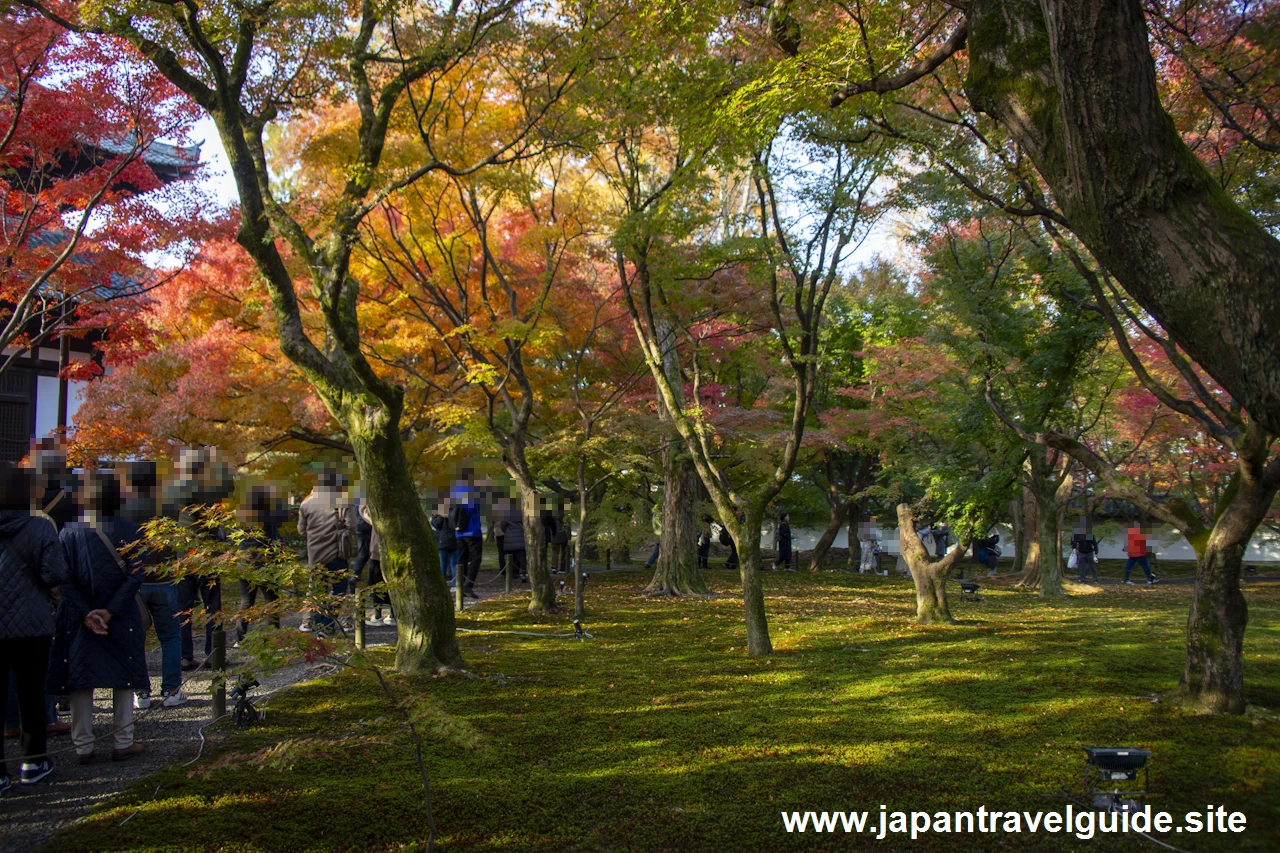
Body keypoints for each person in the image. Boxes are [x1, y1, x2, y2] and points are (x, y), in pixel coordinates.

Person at [47, 471, 148, 763]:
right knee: (124, 674)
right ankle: (123, 741)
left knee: (81, 676)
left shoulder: (68, 532)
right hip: (121, 613)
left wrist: (86, 612)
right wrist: (111, 610)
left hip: (78, 616)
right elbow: (136, 576)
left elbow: (62, 579)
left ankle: (83, 745)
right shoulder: (131, 530)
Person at [0, 463, 70, 790]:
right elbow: (55, 573)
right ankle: (34, 761)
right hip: (31, 623)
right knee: (31, 693)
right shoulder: (40, 528)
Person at [121, 461, 186, 710]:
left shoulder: (123, 507)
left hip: (135, 581)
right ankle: (171, 690)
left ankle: (141, 692)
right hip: (164, 578)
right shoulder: (168, 505)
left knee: (134, 638)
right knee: (170, 636)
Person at [298, 469, 356, 634]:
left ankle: (316, 624)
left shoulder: (306, 503)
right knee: (338, 590)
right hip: (338, 552)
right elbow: (352, 526)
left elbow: (301, 530)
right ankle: (327, 624)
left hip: (315, 554)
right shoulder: (344, 501)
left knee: (317, 590)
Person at [236, 485, 287, 644]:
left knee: (246, 602)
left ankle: (240, 638)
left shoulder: (243, 513)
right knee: (271, 601)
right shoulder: (269, 514)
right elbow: (281, 520)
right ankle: (273, 636)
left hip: (245, 562)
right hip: (266, 563)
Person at [450, 470, 484, 599]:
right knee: (476, 558)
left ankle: (460, 584)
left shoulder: (455, 492)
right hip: (472, 530)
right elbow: (471, 509)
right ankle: (468, 585)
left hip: (459, 532)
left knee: (462, 558)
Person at [358, 501, 394, 624]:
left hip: (378, 550)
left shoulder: (377, 510)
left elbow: (364, 512)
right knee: (392, 583)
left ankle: (378, 615)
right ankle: (393, 614)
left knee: (376, 583)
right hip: (395, 551)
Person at [498, 497, 527, 584]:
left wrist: (507, 533)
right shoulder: (522, 515)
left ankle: (513, 573)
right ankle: (523, 573)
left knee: (512, 558)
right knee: (522, 557)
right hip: (521, 538)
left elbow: (502, 526)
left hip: (510, 539)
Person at [430, 501, 458, 587]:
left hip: (446, 540)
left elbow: (436, 525)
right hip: (449, 540)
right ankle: (451, 584)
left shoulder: (440, 511)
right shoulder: (455, 509)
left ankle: (448, 585)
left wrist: (442, 516)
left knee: (448, 564)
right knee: (449, 564)